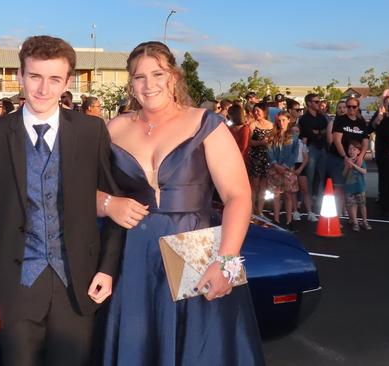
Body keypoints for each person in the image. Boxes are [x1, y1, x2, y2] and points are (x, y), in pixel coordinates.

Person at [0, 35, 125, 366]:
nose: (43, 89)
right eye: (35, 76)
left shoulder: (91, 131)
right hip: (14, 288)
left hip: (77, 287)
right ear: (20, 76)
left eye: (54, 79)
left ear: (67, 82)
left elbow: (116, 205)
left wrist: (107, 270)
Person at [99, 40, 264, 365]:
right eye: (139, 77)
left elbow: (238, 196)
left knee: (200, 351)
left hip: (197, 251)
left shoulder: (206, 124)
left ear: (173, 77)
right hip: (133, 256)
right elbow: (78, 192)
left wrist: (227, 264)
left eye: (157, 73)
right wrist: (107, 204)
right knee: (138, 349)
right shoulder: (114, 129)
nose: (148, 85)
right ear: (131, 84)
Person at [328, 97, 369, 218]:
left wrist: (361, 156)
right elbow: (336, 140)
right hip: (338, 157)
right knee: (339, 188)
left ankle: (352, 218)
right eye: (348, 106)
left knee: (353, 188)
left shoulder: (361, 122)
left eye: (354, 107)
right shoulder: (340, 120)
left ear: (357, 108)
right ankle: (337, 217)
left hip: (355, 159)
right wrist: (345, 156)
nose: (351, 109)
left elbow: (365, 141)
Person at [267, 111, 299, 229]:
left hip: (287, 169)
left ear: (289, 120)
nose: (281, 123)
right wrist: (275, 164)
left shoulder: (293, 136)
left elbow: (294, 154)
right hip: (275, 169)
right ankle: (276, 219)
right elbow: (269, 150)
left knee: (288, 195)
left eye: (284, 120)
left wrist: (284, 166)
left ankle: (289, 220)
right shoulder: (273, 135)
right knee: (276, 195)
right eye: (279, 120)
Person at [298, 93, 328, 209]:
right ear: (309, 103)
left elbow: (324, 131)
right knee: (309, 177)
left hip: (322, 148)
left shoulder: (322, 117)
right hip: (310, 148)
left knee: (321, 176)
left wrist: (318, 132)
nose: (318, 103)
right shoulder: (304, 119)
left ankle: (319, 202)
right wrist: (318, 133)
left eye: (319, 101)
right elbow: (308, 133)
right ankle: (307, 202)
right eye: (316, 102)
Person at [246, 102, 273, 216]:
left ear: (264, 112)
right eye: (255, 111)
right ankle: (252, 210)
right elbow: (248, 142)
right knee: (255, 185)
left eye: (258, 111)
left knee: (264, 186)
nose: (256, 113)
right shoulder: (252, 125)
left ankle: (260, 211)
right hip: (255, 157)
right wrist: (260, 142)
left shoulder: (271, 125)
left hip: (267, 157)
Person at [291, 124, 317, 222]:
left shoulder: (302, 143)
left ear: (299, 132)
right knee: (293, 190)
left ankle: (310, 212)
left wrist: (300, 169)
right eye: (292, 131)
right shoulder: (286, 143)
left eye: (297, 131)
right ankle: (295, 211)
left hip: (300, 166)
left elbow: (306, 158)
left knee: (305, 190)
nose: (294, 133)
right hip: (290, 167)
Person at [343, 141, 371, 231]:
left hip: (360, 187)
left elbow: (364, 171)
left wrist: (354, 166)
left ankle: (365, 221)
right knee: (352, 206)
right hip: (350, 189)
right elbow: (343, 175)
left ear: (358, 151)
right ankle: (355, 222)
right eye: (350, 149)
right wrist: (347, 167)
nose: (351, 151)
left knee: (362, 205)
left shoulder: (360, 160)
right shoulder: (347, 161)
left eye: (354, 149)